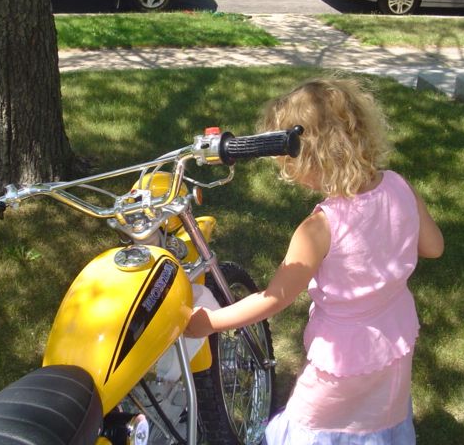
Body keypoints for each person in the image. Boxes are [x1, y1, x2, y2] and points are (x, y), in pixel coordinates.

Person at [185, 77, 444, 444]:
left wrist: (210, 322)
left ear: (311, 159)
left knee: (315, 426)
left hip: (342, 358)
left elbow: (274, 298)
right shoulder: (400, 186)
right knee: (377, 418)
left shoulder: (319, 228)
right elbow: (433, 247)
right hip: (394, 336)